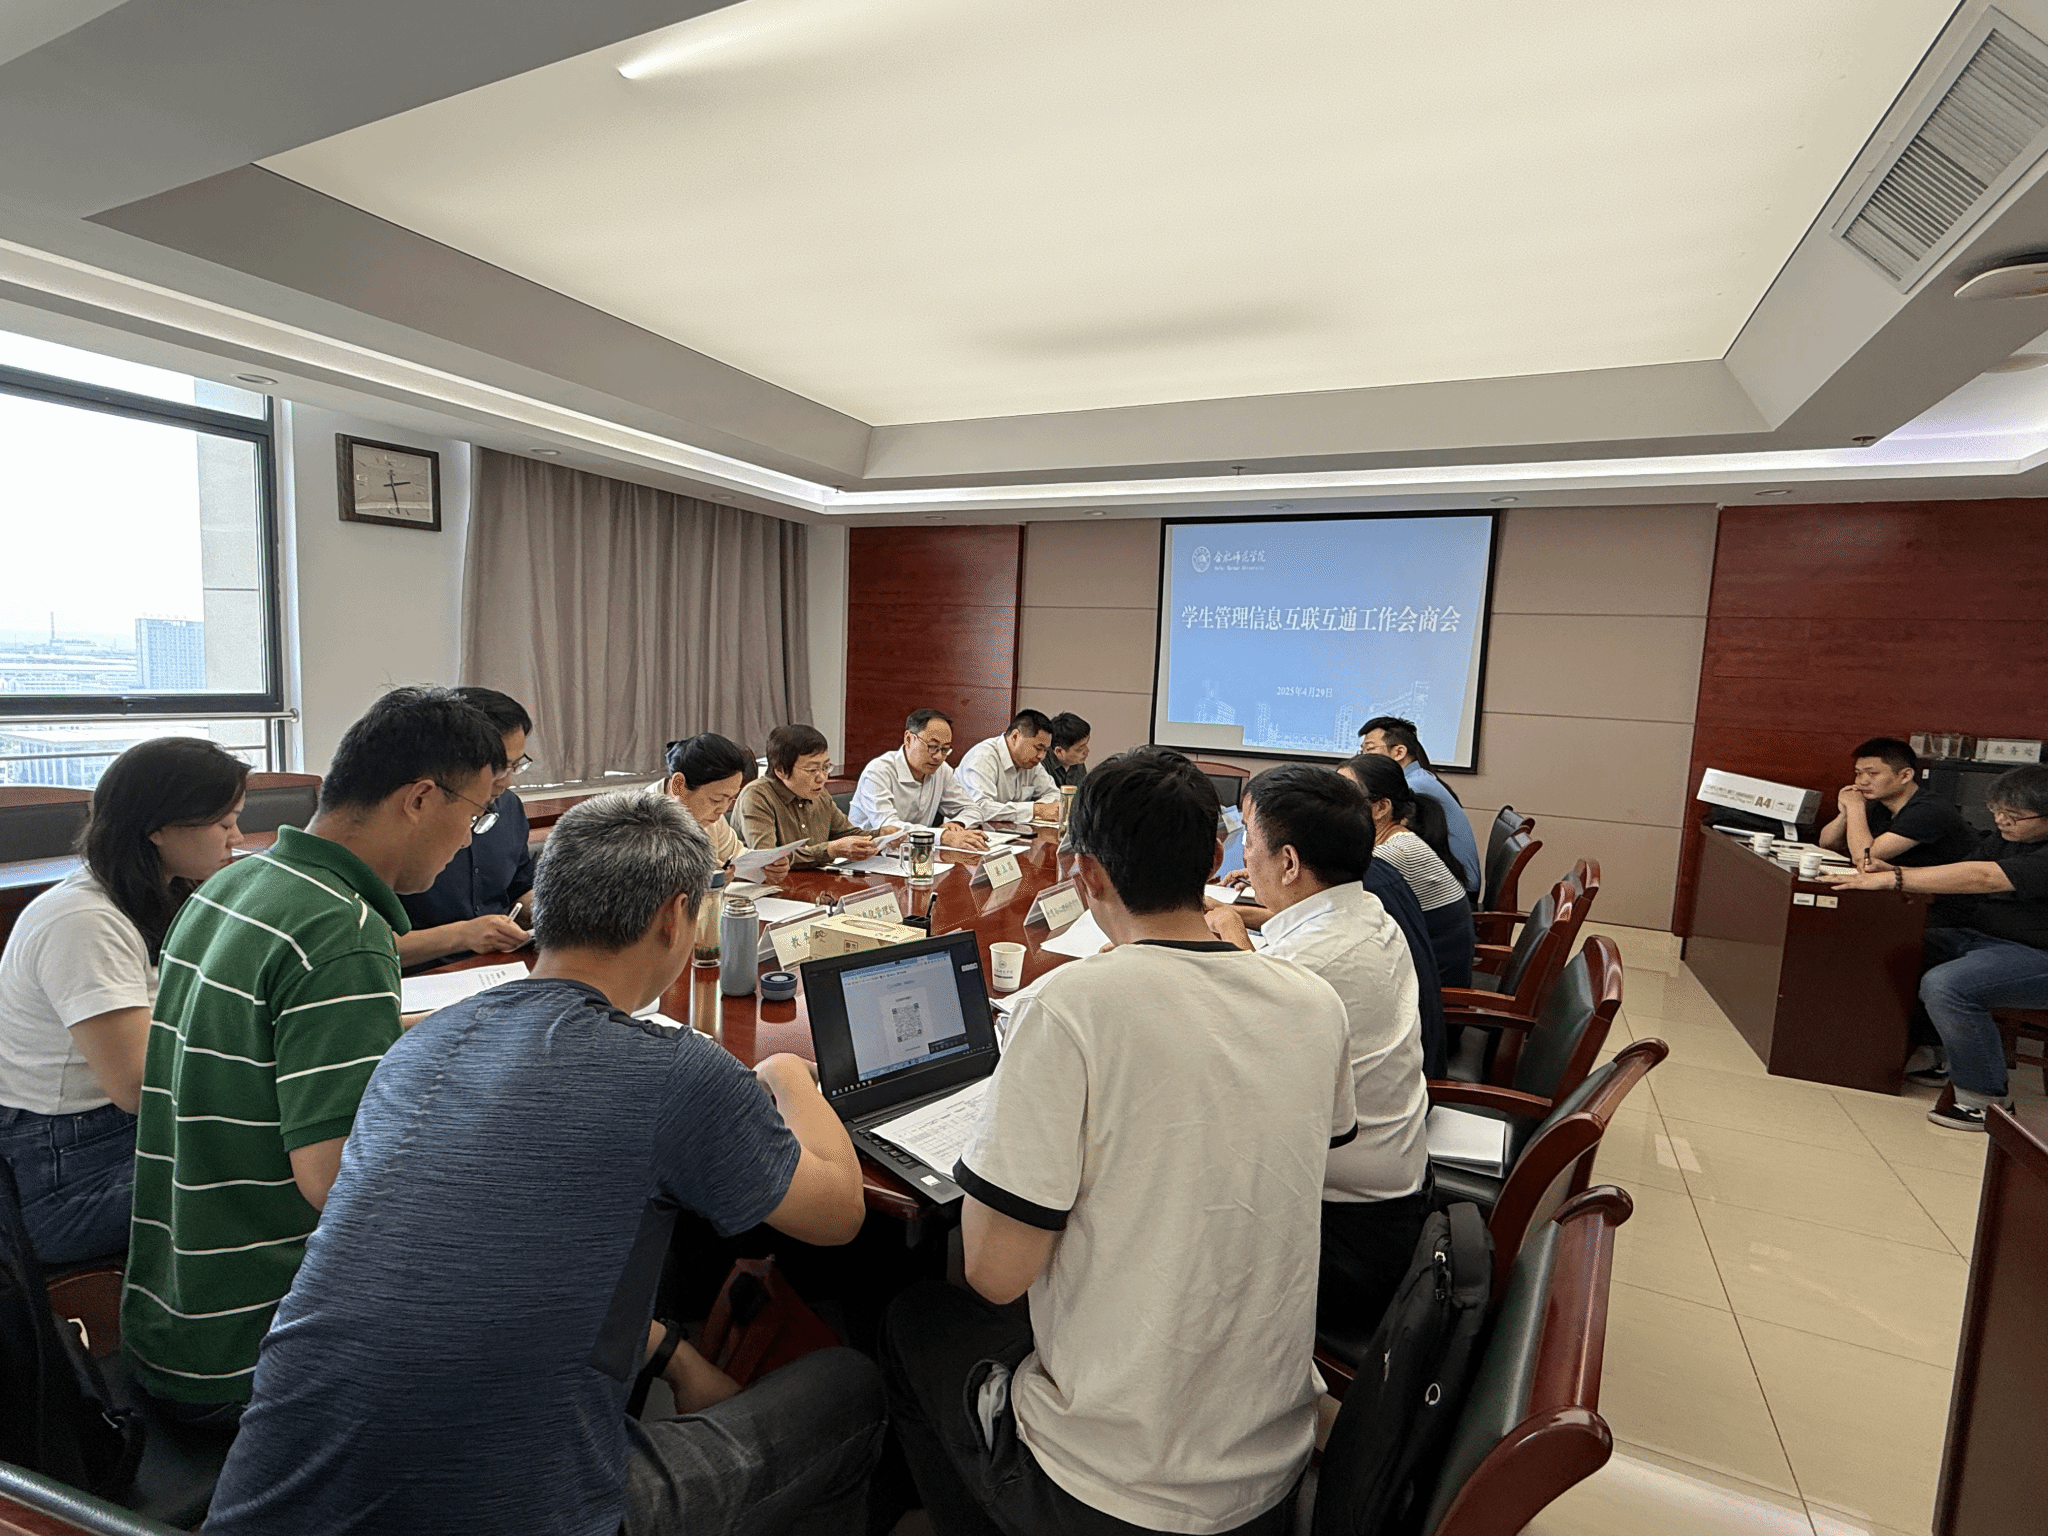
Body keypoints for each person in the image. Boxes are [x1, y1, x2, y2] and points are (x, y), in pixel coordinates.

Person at [205, 792, 883, 1536]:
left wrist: (674, 1356)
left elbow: (494, 1264)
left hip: (263, 1505)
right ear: (674, 918)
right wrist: (787, 1076)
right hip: (518, 1514)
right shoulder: (673, 1071)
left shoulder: (418, 1049)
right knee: (850, 1387)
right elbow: (839, 1215)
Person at [881, 748, 1355, 1536]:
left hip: (1112, 1487)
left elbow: (995, 1275)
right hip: (1273, 1458)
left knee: (913, 1320)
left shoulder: (1069, 1009)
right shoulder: (1313, 1000)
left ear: (1087, 874)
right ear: (1215, 859)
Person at [121, 686, 505, 1419]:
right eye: (475, 813)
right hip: (254, 1355)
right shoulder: (340, 930)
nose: (468, 839)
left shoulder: (234, 884)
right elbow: (336, 1183)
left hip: (170, 1317)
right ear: (421, 798)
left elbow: (263, 1053)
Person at [1202, 765, 1430, 1340]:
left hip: (1342, 1238)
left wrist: (1228, 933)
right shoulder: (1366, 913)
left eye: (1249, 841)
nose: (1243, 854)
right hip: (1388, 1197)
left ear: (1288, 863)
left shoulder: (1306, 967)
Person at [0, 738, 247, 1268]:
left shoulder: (157, 895)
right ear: (158, 828)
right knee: (279, 1164)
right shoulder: (83, 921)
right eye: (223, 824)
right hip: (66, 1175)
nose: (238, 838)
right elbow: (138, 1088)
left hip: (105, 1134)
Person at [1823, 764, 2048, 1131]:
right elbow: (1963, 870)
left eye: (2014, 815)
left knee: (1949, 985)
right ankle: (1923, 1055)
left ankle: (1984, 1102)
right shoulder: (2007, 838)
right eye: (1996, 810)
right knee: (1885, 945)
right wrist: (1886, 870)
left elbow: (1983, 877)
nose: (2001, 820)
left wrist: (1896, 878)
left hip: (2036, 955)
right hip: (1981, 937)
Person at [396, 685, 536, 967]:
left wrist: (555, 911)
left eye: (515, 766)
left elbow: (518, 890)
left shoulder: (509, 807)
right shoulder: (403, 819)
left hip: (501, 966)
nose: (507, 781)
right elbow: (364, 945)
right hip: (426, 976)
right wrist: (462, 935)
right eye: (499, 767)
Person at [1342, 753, 1476, 990]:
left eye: (1343, 797)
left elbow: (1334, 912)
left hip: (1435, 994)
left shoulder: (1392, 855)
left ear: (1381, 807)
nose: (1330, 807)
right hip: (1428, 976)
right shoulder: (1400, 840)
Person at [1357, 716, 1480, 901]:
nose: (1363, 759)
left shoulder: (1414, 786)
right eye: (1362, 751)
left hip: (1457, 891)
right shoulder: (1418, 778)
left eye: (1370, 750)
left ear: (1399, 752)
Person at [1817, 736, 1975, 871]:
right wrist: (1845, 813)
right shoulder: (1879, 805)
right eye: (1858, 773)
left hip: (1948, 894)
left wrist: (1855, 806)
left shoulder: (1929, 809)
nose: (1862, 781)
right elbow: (1827, 843)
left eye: (1872, 773)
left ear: (1905, 776)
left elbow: (1863, 857)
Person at [733, 724, 879, 869]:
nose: (822, 777)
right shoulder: (757, 796)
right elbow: (767, 857)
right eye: (812, 769)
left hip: (815, 880)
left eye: (825, 767)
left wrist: (882, 835)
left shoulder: (820, 795)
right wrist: (829, 850)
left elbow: (848, 834)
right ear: (781, 771)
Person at [848, 709, 990, 850]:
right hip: (869, 855)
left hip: (916, 853)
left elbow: (973, 809)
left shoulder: (941, 770)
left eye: (945, 749)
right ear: (909, 739)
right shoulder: (878, 771)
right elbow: (889, 828)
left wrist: (958, 824)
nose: (938, 757)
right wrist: (943, 836)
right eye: (932, 747)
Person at [662, 733, 792, 882]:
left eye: (730, 799)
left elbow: (738, 857)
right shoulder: (643, 821)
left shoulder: (712, 820)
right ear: (678, 785)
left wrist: (767, 867)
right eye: (716, 799)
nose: (723, 809)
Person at [955, 709, 1062, 824]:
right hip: (968, 830)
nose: (1041, 756)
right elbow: (980, 808)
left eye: (1045, 750)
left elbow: (1054, 794)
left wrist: (1041, 808)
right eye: (1038, 748)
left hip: (1010, 830)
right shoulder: (982, 757)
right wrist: (1035, 810)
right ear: (1015, 737)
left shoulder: (1030, 763)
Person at [1048, 711, 1092, 788]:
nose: (1087, 751)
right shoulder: (1041, 766)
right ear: (1059, 751)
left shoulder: (1077, 762)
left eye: (1086, 744)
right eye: (1080, 748)